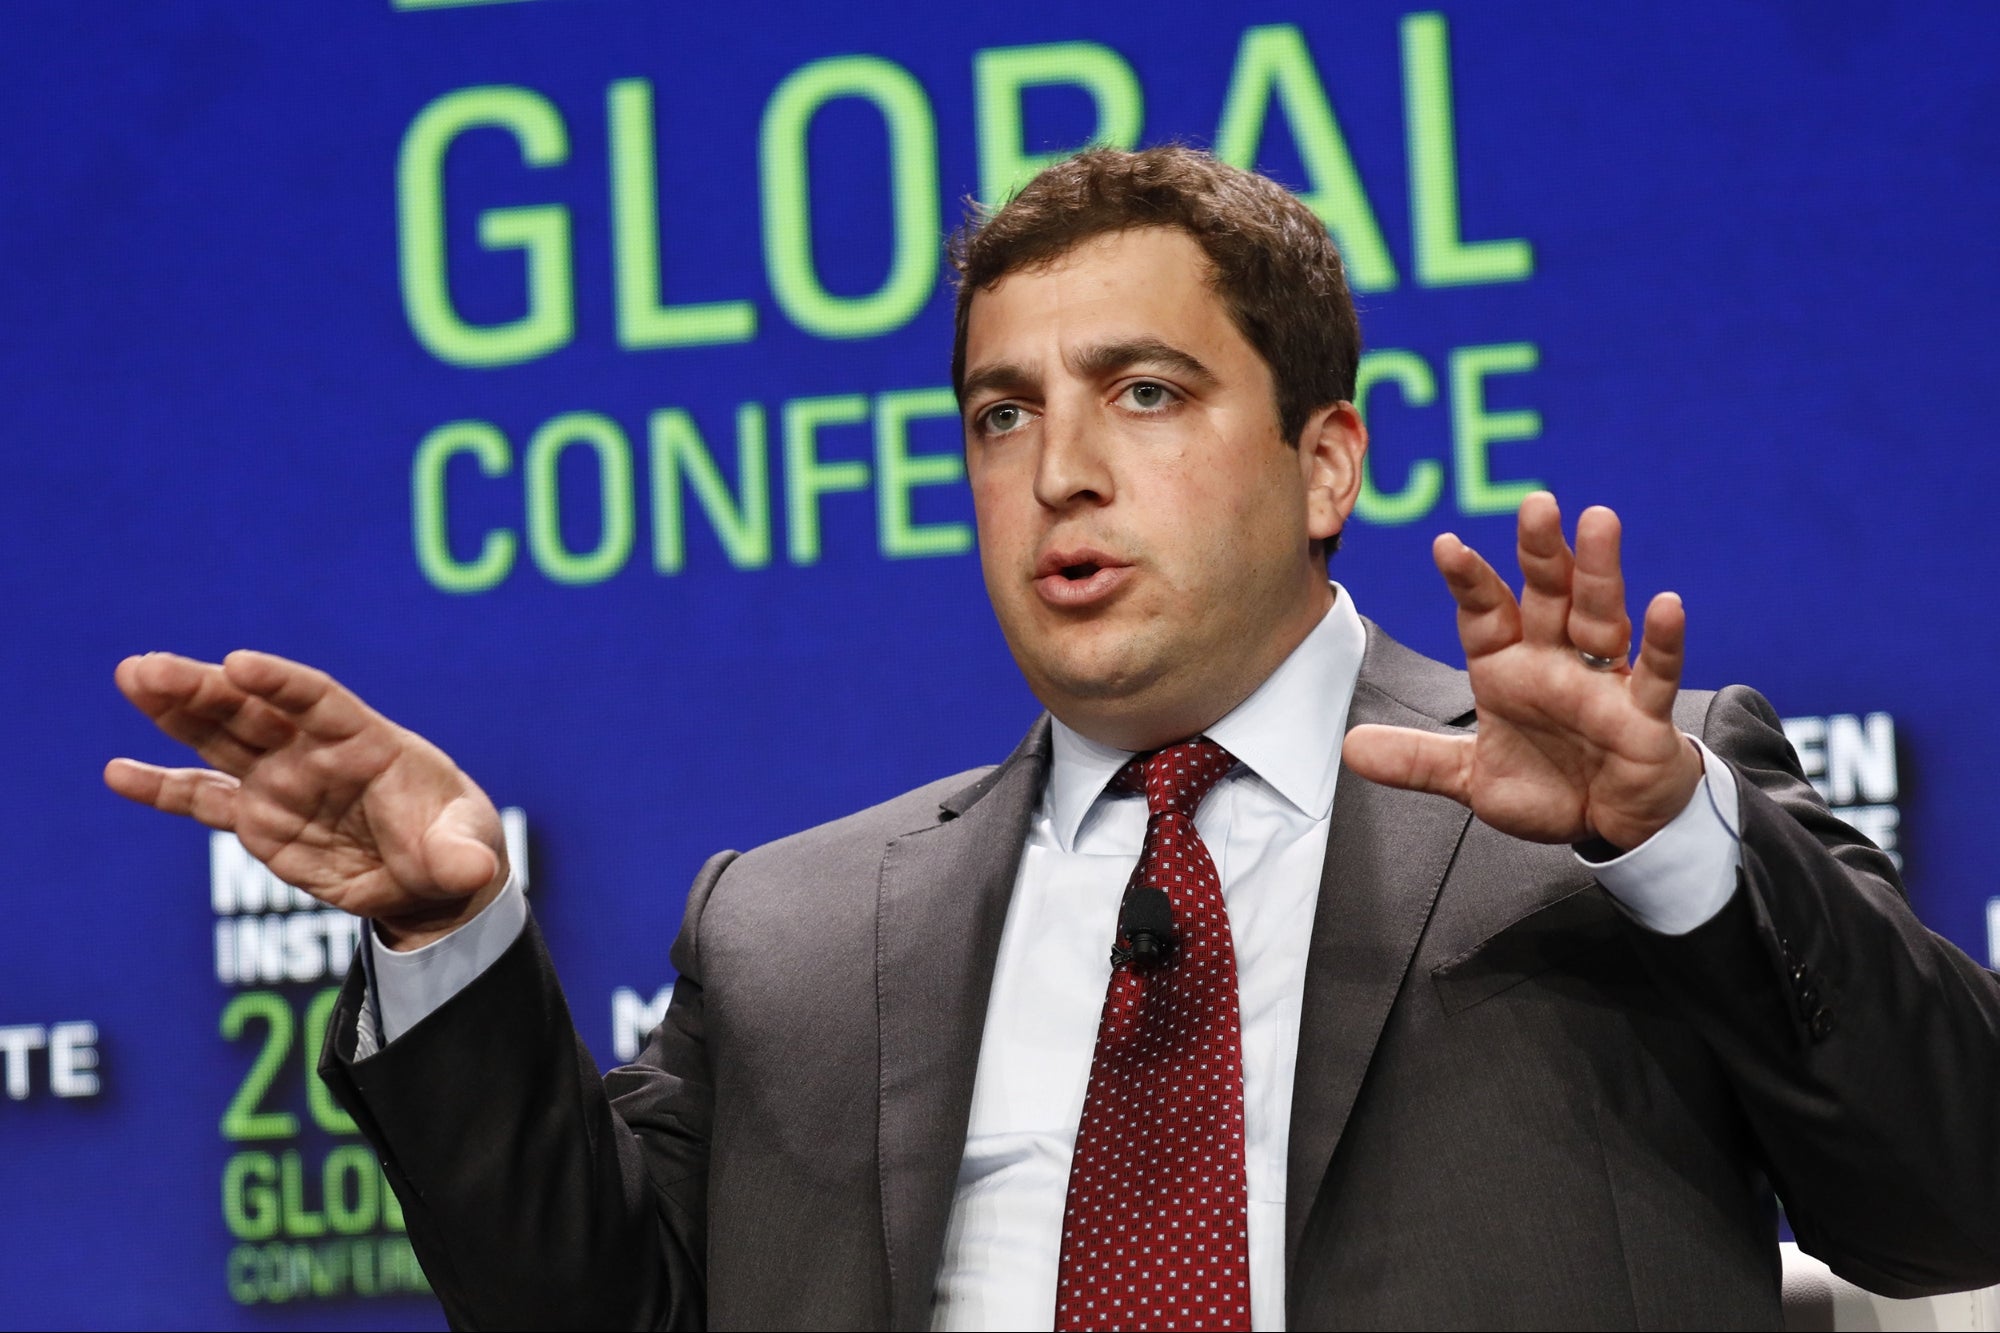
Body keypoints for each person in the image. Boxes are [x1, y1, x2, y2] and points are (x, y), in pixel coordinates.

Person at [108, 148, 2000, 1331]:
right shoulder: (790, 932)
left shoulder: (1611, 816)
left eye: (1144, 392)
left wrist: (1670, 845)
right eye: (1000, 415)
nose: (1061, 468)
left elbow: (1952, 1203)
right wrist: (449, 929)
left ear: (1326, 461)